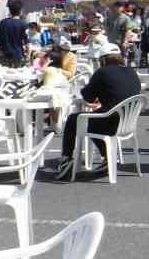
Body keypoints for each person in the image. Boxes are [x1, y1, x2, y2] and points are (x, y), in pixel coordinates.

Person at [54, 50, 142, 179]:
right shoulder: (132, 72)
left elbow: (88, 97)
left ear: (103, 60)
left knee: (74, 119)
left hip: (109, 121)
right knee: (92, 119)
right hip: (127, 121)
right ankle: (109, 157)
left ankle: (66, 158)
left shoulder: (102, 72)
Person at [0, 0, 27, 66]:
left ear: (10, 10)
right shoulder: (22, 24)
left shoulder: (2, 22)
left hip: (4, 54)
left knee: (5, 74)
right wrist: (27, 55)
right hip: (17, 54)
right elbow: (26, 41)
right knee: (17, 74)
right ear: (20, 11)